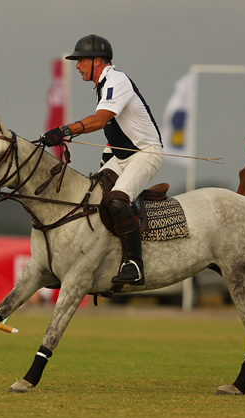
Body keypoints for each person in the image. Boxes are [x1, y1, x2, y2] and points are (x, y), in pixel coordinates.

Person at [40, 34, 164, 286]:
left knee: (117, 201)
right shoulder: (103, 85)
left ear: (97, 61)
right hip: (121, 156)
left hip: (146, 153)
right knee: (90, 197)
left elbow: (100, 120)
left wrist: (64, 130)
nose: (77, 66)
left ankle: (135, 266)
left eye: (81, 61)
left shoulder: (117, 80)